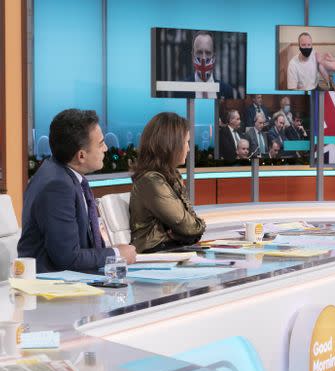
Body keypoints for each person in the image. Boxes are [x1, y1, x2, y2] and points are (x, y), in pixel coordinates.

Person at [18, 109, 136, 272]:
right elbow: (67, 258)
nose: (106, 149)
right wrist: (116, 254)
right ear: (81, 155)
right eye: (101, 143)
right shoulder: (57, 186)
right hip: (56, 288)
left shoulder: (62, 174)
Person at [129, 112, 206, 253]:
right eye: (186, 142)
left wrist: (183, 230)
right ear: (170, 144)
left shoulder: (172, 175)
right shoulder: (151, 181)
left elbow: (191, 224)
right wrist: (188, 229)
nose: (189, 149)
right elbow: (189, 227)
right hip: (156, 255)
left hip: (172, 251)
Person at [190, 31, 235, 99]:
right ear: (193, 56)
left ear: (214, 57)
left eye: (208, 53)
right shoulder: (180, 90)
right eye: (199, 52)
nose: (203, 58)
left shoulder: (227, 90)